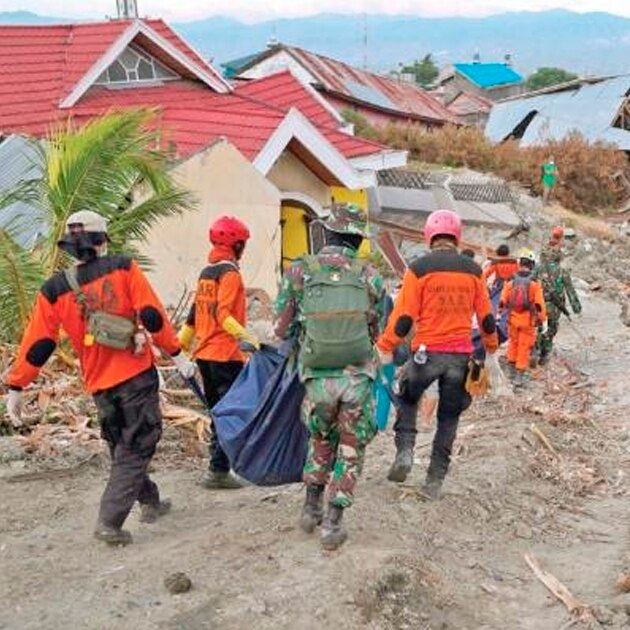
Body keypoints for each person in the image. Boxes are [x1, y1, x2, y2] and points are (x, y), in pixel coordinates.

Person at [4, 211, 187, 545]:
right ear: (102, 240)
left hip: (100, 385)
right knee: (138, 443)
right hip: (134, 375)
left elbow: (39, 344)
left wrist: (17, 385)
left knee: (123, 445)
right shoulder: (124, 268)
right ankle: (109, 522)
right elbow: (152, 316)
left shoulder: (54, 289)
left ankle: (150, 502)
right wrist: (177, 352)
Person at [273, 204, 384, 550]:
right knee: (351, 445)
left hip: (316, 377)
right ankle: (333, 524)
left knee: (320, 436)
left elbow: (281, 327)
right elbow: (376, 330)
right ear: (356, 238)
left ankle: (310, 508)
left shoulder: (299, 271)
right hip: (357, 378)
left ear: (327, 232)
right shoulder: (370, 275)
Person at [378, 209, 499, 501]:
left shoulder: (418, 269)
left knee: (407, 400)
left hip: (425, 355)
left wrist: (386, 344)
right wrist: (492, 349)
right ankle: (434, 481)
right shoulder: (473, 271)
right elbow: (486, 319)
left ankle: (405, 451)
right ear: (456, 236)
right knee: (448, 419)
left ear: (429, 236)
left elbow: (404, 317)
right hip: (460, 358)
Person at [177, 215, 255, 490]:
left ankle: (220, 467)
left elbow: (193, 316)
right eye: (242, 243)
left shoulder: (207, 273)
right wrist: (250, 340)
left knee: (217, 412)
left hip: (205, 356)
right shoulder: (230, 273)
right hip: (224, 354)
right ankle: (219, 470)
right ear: (235, 244)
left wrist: (178, 348)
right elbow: (222, 315)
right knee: (230, 413)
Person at [500, 249, 547, 386]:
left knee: (513, 343)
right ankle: (519, 376)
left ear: (519, 263)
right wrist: (543, 320)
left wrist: (500, 314)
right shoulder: (534, 283)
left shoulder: (511, 281)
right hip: (527, 321)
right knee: (524, 347)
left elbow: (503, 301)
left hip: (512, 319)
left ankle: (510, 371)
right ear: (532, 264)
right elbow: (539, 305)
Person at [532, 241, 581, 366]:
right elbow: (570, 291)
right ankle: (545, 352)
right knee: (551, 328)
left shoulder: (537, 268)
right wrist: (576, 308)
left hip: (538, 305)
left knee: (538, 327)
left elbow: (528, 283)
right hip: (555, 306)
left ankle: (535, 350)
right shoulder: (562, 271)